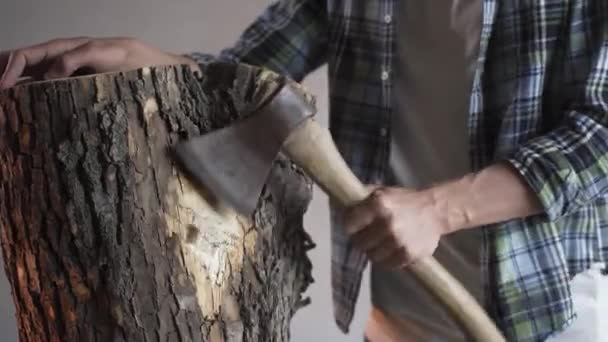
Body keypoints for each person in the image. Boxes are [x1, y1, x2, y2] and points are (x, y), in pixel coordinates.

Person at [2, 1, 607, 341]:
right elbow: (245, 79)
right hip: (398, 323)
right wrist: (147, 61)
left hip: (556, 317)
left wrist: (439, 209)